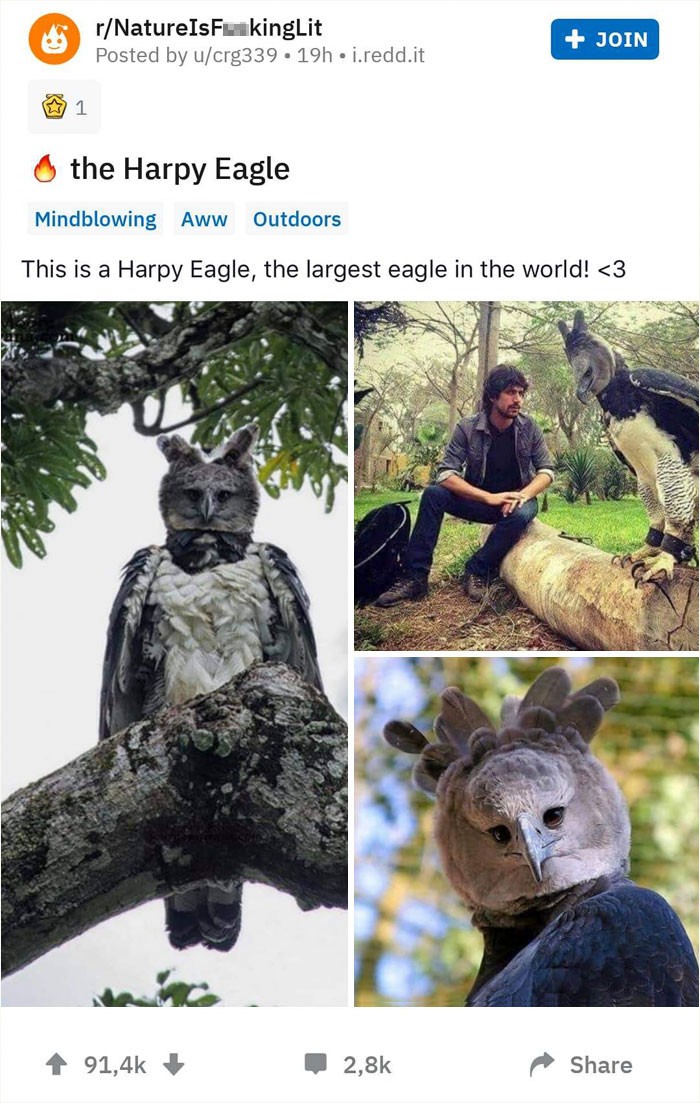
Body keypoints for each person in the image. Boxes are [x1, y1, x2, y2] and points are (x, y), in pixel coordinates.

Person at [375, 366, 554, 606]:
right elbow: (446, 473)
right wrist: (488, 498)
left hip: (515, 501)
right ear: (492, 396)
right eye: (511, 392)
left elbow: (546, 471)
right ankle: (415, 577)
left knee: (522, 512)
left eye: (521, 393)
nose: (518, 400)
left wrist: (522, 496)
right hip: (480, 501)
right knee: (433, 494)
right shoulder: (467, 427)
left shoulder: (529, 428)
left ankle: (477, 570)